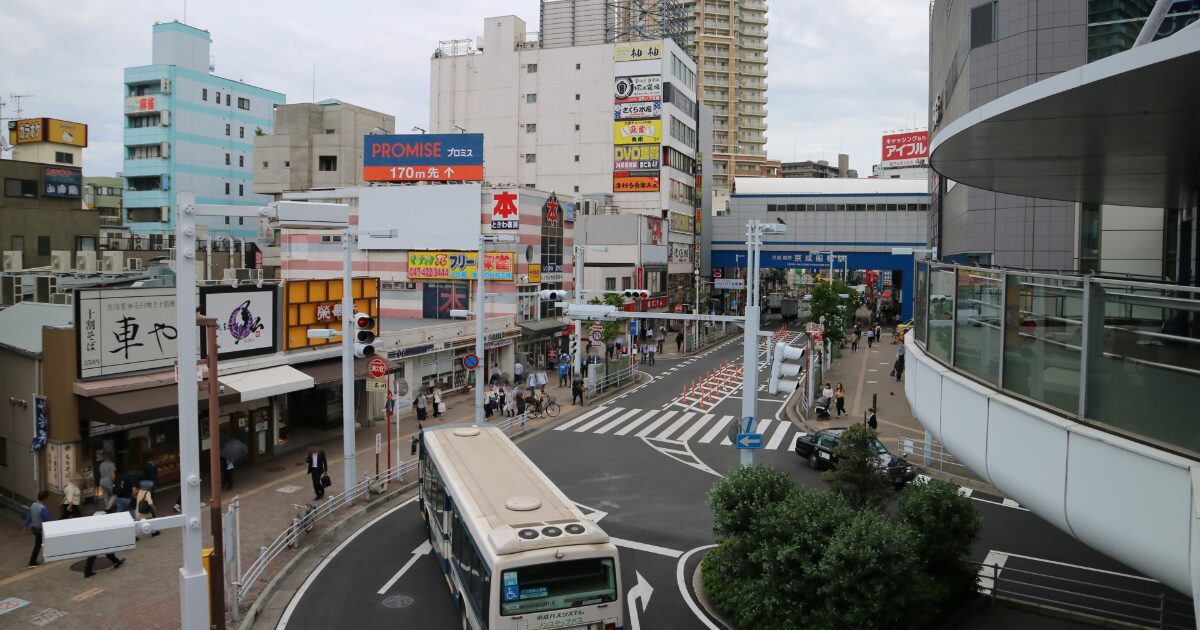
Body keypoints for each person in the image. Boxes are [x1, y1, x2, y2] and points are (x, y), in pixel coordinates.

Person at [83, 509, 125, 578]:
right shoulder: (102, 515)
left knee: (99, 553)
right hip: (99, 537)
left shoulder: (95, 515)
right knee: (99, 552)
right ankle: (87, 572)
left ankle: (116, 562)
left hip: (95, 537)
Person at [23, 490, 52, 568]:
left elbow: (29, 516)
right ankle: (32, 562)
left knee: (40, 543)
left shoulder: (33, 505)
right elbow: (48, 519)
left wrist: (25, 526)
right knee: (38, 545)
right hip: (40, 530)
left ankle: (48, 554)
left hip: (34, 528)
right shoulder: (43, 508)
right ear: (45, 498)